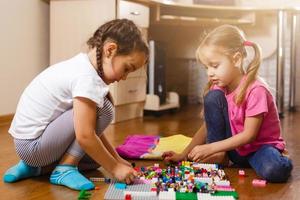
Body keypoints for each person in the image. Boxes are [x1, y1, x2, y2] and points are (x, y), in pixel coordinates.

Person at [3, 19, 149, 190]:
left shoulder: (81, 65)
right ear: (110, 50)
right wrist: (115, 168)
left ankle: (35, 168)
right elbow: (85, 135)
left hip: (28, 147)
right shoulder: (87, 78)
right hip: (34, 147)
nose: (124, 77)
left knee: (96, 159)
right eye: (126, 68)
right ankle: (65, 168)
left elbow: (90, 128)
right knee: (105, 108)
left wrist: (116, 159)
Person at [163, 24, 293, 183]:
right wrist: (183, 155)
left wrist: (210, 148)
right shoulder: (219, 89)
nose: (209, 73)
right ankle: (220, 158)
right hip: (232, 150)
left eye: (215, 66)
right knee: (212, 96)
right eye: (206, 67)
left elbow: (249, 135)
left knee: (274, 170)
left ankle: (281, 157)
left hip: (259, 149)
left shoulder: (257, 90)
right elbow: (207, 127)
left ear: (237, 59)